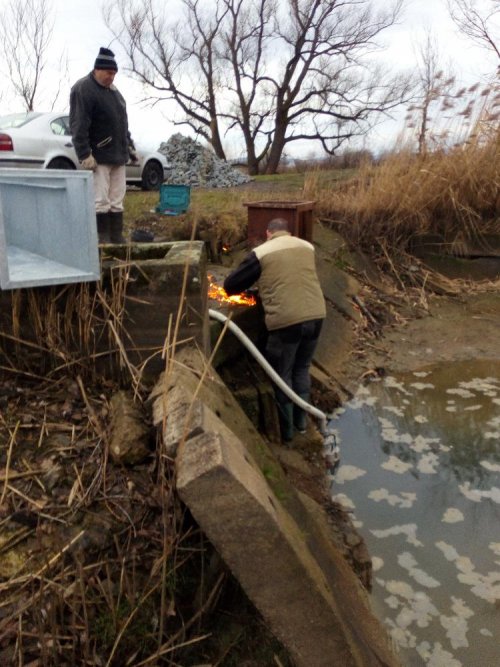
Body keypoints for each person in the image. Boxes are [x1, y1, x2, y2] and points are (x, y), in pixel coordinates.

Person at [224, 218, 326, 443]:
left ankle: (287, 433)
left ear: (269, 233)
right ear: (288, 233)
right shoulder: (307, 247)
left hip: (287, 321)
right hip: (317, 316)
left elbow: (231, 285)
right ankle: (302, 424)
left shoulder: (261, 253)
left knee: (283, 374)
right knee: (302, 369)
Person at [69, 46, 138, 244]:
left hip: (118, 154)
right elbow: (78, 124)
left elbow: (122, 123)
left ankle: (116, 237)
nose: (112, 77)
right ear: (97, 69)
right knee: (101, 200)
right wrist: (84, 154)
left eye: (114, 74)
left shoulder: (115, 94)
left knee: (117, 199)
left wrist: (129, 148)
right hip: (98, 156)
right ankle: (102, 239)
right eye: (109, 73)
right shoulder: (83, 89)